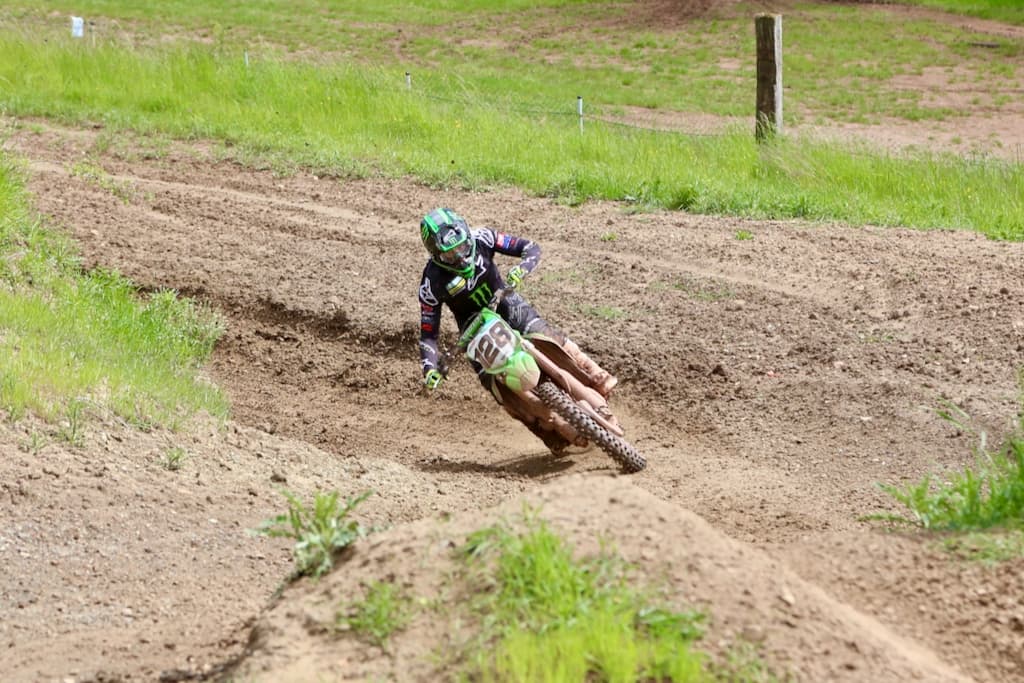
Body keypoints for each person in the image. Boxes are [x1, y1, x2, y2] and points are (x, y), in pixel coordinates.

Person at [417, 207, 617, 452]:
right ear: (436, 255)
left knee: (548, 335)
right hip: (475, 333)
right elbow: (428, 332)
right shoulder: (431, 283)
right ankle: (552, 425)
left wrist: (522, 268)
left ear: (467, 236)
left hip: (505, 303)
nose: (459, 257)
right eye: (450, 255)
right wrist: (429, 369)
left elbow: (529, 247)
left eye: (461, 247)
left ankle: (595, 373)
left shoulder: (483, 238)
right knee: (505, 395)